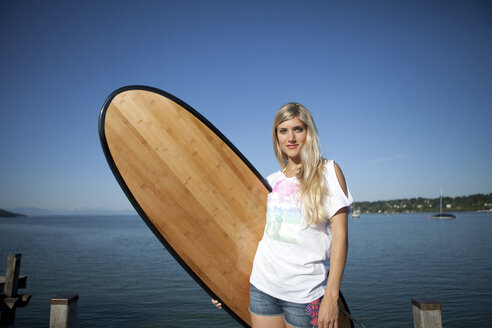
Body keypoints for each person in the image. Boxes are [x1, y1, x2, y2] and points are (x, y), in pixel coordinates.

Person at [213, 102, 352, 328]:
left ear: (309, 132)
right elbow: (256, 238)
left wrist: (331, 297)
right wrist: (225, 287)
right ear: (276, 136)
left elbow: (341, 237)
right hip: (262, 288)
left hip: (305, 294)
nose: (291, 138)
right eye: (283, 130)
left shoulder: (329, 171)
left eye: (298, 129)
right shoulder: (272, 181)